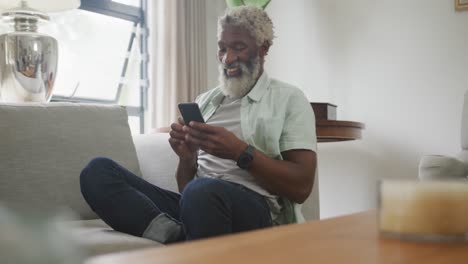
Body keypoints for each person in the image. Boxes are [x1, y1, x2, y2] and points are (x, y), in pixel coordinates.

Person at [80, 6, 317, 244]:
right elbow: (187, 190)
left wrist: (239, 152)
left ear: (263, 48)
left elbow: (302, 187)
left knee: (202, 192)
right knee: (97, 172)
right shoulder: (206, 101)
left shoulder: (289, 99)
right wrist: (187, 158)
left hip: (256, 211)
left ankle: (185, 241)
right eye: (222, 48)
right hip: (199, 205)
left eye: (238, 47)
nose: (227, 58)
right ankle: (175, 236)